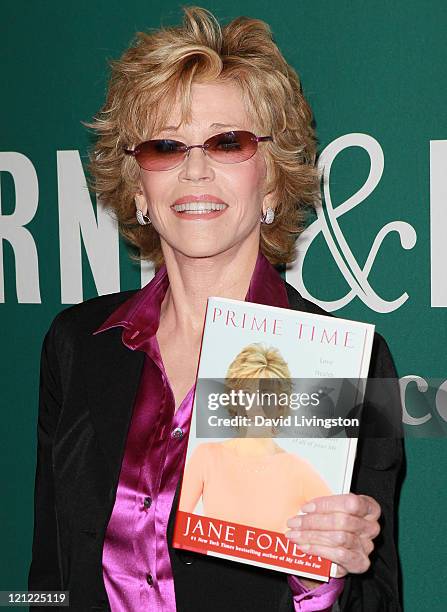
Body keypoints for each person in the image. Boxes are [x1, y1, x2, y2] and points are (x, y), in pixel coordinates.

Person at [28, 6, 403, 611]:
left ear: (273, 182)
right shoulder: (75, 343)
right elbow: (46, 572)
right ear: (138, 183)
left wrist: (323, 580)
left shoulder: (343, 364)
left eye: (228, 142)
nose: (194, 168)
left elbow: (379, 599)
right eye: (165, 145)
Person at [179, 343, 332, 533]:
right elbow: (174, 529)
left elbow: (338, 527)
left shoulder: (297, 469)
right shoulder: (206, 457)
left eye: (267, 396)